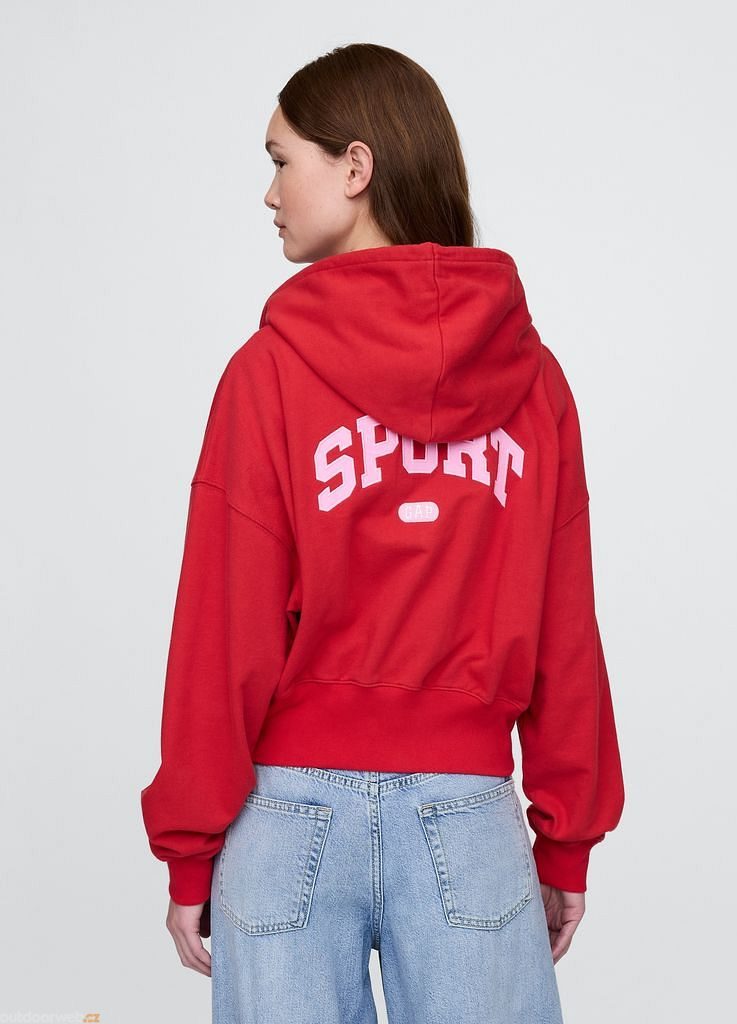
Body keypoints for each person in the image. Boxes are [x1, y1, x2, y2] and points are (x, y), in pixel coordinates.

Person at [140, 42, 625, 1023]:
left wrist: (191, 847)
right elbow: (564, 629)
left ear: (355, 167)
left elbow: (223, 632)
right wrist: (565, 837)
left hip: (286, 818)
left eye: (282, 160)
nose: (269, 192)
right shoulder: (535, 382)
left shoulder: (267, 375)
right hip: (469, 818)